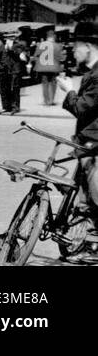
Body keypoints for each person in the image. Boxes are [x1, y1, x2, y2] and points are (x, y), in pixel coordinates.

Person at [57, 22, 98, 236]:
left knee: (95, 199)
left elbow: (82, 108)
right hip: (87, 144)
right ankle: (87, 246)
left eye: (76, 46)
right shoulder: (92, 72)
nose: (73, 51)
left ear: (88, 46)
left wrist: (69, 90)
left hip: (94, 145)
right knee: (86, 201)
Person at [0, 28, 30, 115]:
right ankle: (5, 107)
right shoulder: (2, 46)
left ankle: (15, 107)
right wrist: (0, 66)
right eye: (7, 37)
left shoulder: (19, 46)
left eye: (11, 37)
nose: (9, 39)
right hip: (4, 70)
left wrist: (11, 48)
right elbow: (0, 57)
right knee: (4, 89)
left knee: (14, 89)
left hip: (14, 70)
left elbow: (23, 57)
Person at [35, 27, 61, 107]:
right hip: (53, 67)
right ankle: (51, 100)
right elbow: (60, 57)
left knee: (45, 84)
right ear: (54, 36)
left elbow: (36, 55)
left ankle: (46, 101)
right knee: (53, 84)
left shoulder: (40, 45)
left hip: (43, 68)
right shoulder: (58, 46)